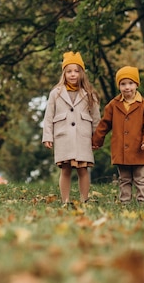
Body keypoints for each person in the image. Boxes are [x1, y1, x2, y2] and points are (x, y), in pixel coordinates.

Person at [42, 51, 101, 204]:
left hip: (83, 137)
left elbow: (96, 118)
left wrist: (97, 138)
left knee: (83, 169)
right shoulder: (56, 93)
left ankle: (84, 200)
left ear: (82, 73)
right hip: (63, 136)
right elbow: (48, 116)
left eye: (76, 71)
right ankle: (65, 201)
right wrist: (47, 136)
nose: (73, 74)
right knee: (65, 169)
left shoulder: (89, 93)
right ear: (64, 73)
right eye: (69, 71)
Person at [92, 66, 144, 203]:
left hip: (139, 150)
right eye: (123, 84)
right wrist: (97, 140)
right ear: (119, 86)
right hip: (121, 151)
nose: (127, 87)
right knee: (124, 179)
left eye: (131, 83)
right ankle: (125, 202)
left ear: (136, 85)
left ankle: (143, 202)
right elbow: (104, 124)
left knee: (140, 178)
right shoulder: (113, 105)